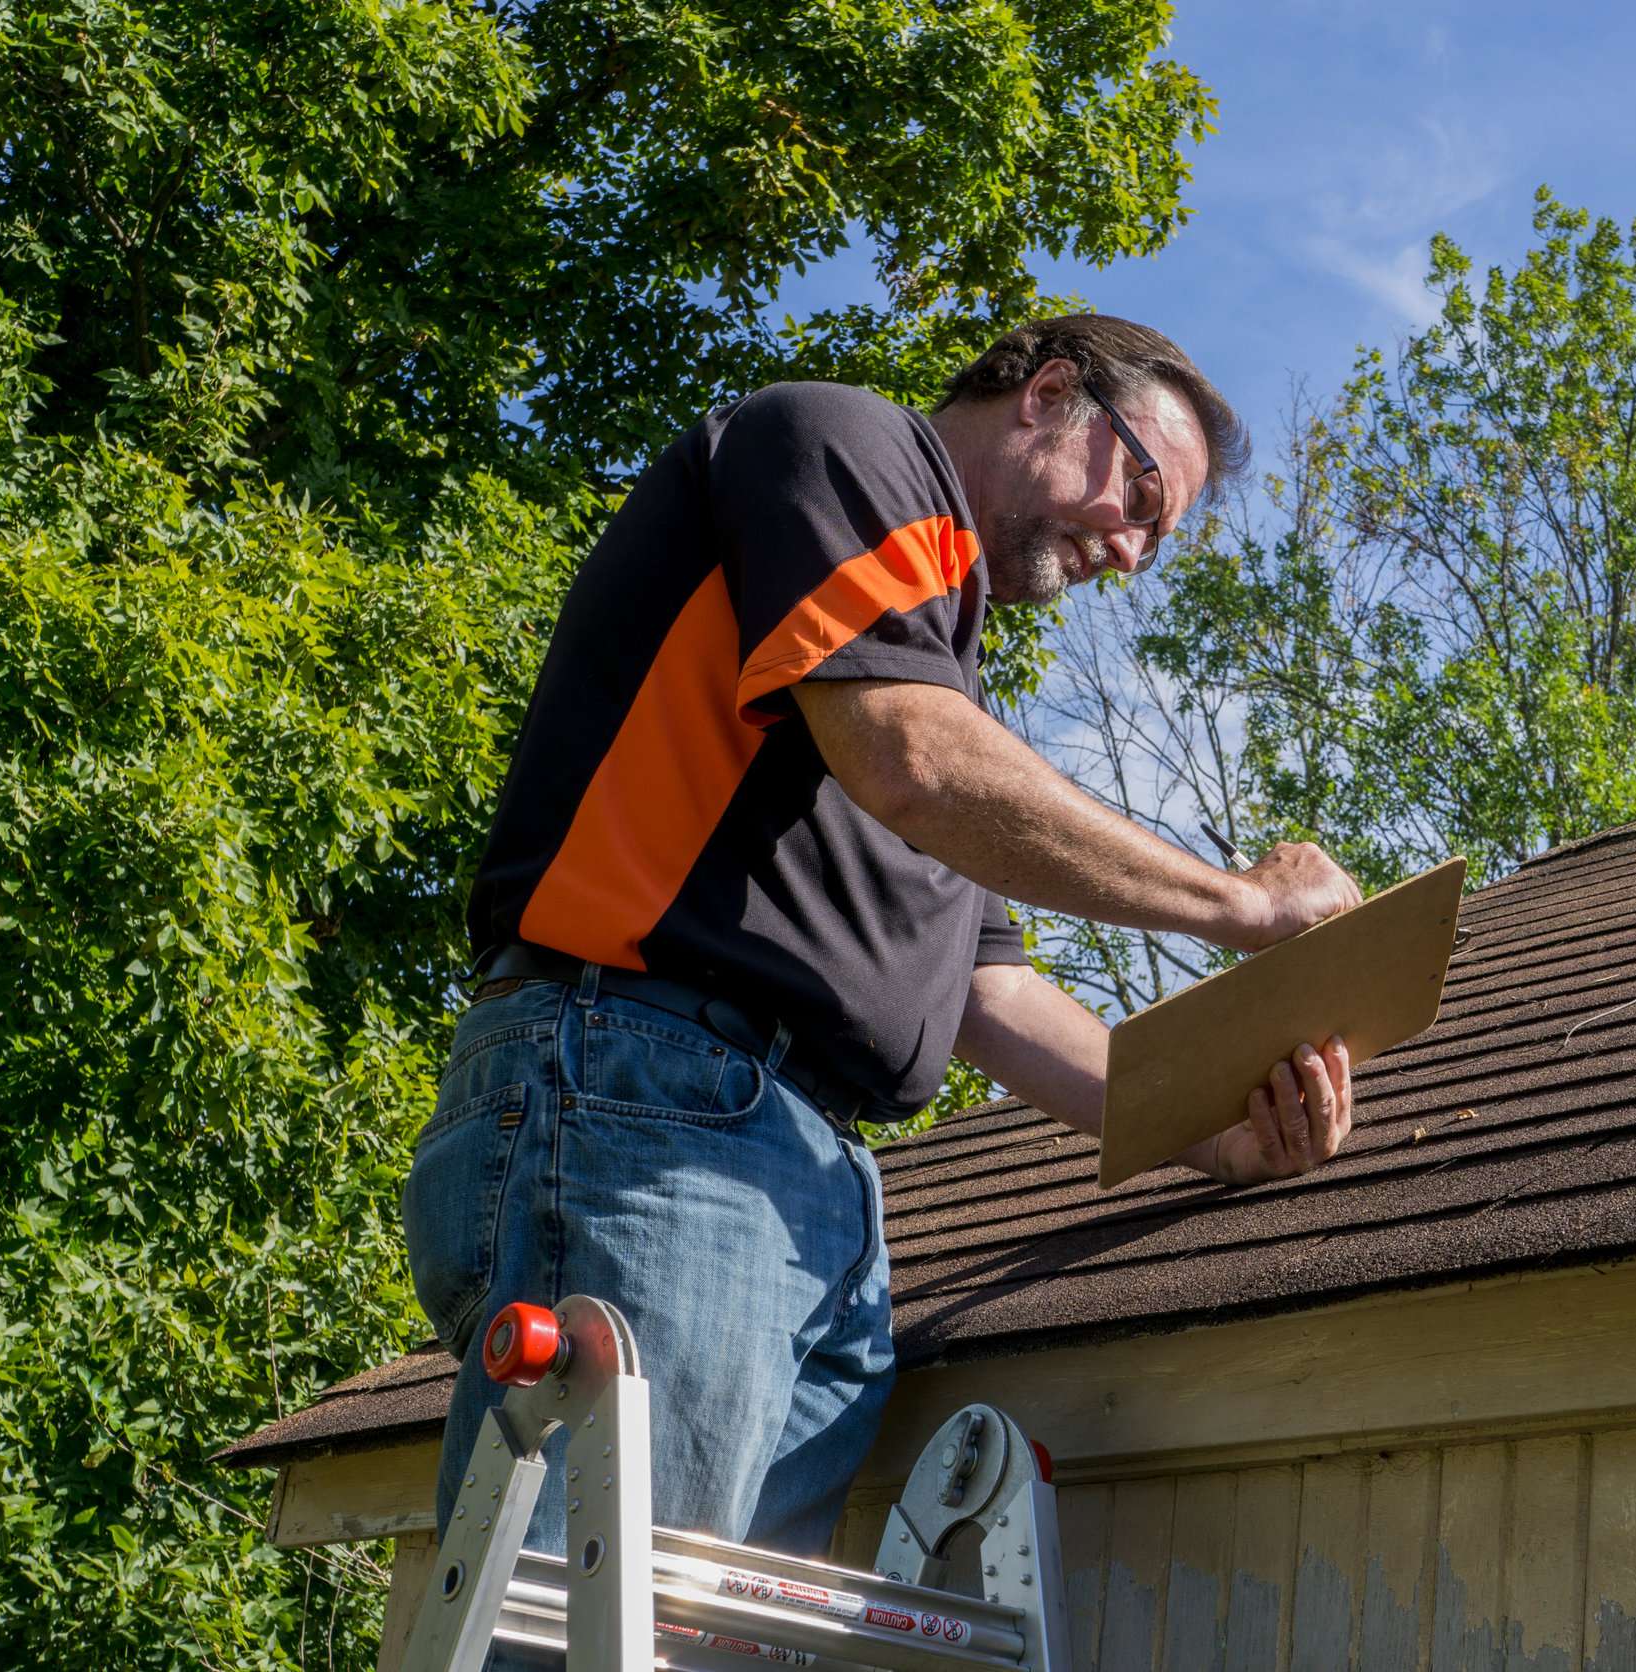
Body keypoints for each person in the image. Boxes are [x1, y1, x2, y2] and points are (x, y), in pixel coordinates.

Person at [402, 315, 1364, 1565]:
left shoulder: (937, 693)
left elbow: (988, 997)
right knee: (604, 1629)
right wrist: (1241, 903)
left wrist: (1216, 1135)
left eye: (1155, 538)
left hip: (801, 1183)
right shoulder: (843, 445)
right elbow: (911, 762)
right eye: (1138, 492)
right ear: (1052, 392)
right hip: (650, 1102)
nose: (1130, 553)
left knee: (697, 1645)